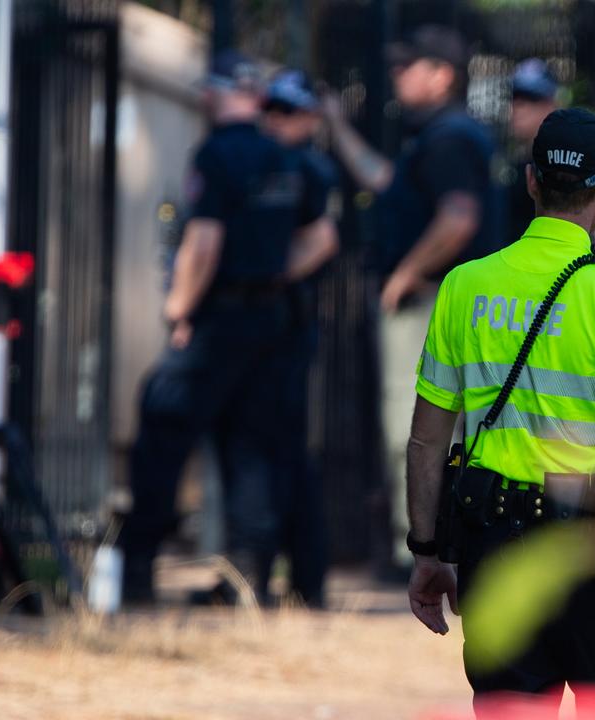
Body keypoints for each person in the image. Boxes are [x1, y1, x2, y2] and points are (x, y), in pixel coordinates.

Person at [403, 109, 595, 700]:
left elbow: (426, 440)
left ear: (530, 181)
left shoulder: (464, 287)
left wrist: (426, 551)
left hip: (495, 557)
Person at [119, 50, 336, 604]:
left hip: (219, 319)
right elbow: (322, 238)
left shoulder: (217, 155)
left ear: (221, 95)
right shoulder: (288, 160)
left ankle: (138, 564)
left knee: (164, 421)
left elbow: (204, 242)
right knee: (252, 449)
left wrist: (180, 309)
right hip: (271, 321)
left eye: (209, 92)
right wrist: (271, 274)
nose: (205, 101)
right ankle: (248, 578)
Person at [322, 24, 499, 570]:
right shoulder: (441, 136)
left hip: (428, 303)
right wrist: (336, 126)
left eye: (408, 66)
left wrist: (405, 273)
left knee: (413, 426)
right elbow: (386, 179)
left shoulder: (448, 139)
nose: (397, 75)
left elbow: (458, 219)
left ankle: (421, 548)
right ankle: (441, 542)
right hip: (447, 304)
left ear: (441, 75)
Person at [259, 68, 341, 607]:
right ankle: (289, 575)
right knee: (272, 452)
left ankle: (305, 578)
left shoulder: (309, 167)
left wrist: (271, 274)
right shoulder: (280, 161)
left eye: (291, 112)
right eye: (275, 110)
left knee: (283, 452)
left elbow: (324, 240)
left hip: (287, 326)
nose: (279, 122)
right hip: (277, 326)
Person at [504, 58, 561, 246]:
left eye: (531, 99)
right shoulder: (514, 162)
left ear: (551, 105)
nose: (519, 108)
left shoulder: (559, 166)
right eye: (515, 98)